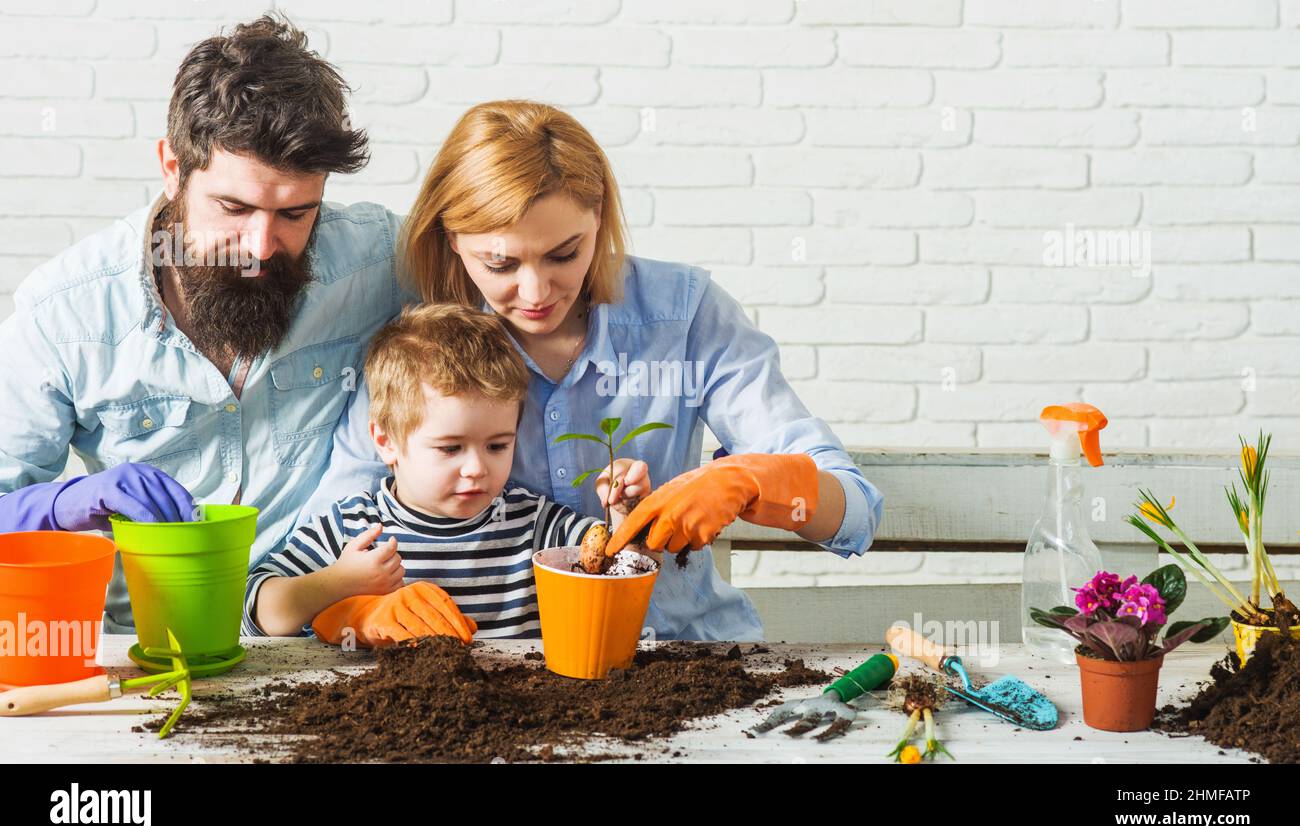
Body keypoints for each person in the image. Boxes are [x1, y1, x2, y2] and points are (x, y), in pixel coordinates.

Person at [301, 100, 885, 642]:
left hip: (683, 655)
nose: (535, 292)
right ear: (453, 239)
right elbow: (324, 545)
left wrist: (758, 481)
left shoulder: (684, 315)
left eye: (564, 254)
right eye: (500, 262)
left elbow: (855, 510)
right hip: (505, 677)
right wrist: (351, 609)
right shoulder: (429, 349)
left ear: (599, 219)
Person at [0, 15, 405, 631]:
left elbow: (515, 274)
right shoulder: (64, 314)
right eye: (233, 207)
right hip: (146, 648)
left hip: (322, 631)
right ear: (172, 167)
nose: (262, 245)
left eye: (296, 213)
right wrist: (65, 503)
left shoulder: (376, 257)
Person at [244, 304, 655, 645]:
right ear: (386, 441)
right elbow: (256, 612)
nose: (477, 468)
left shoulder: (532, 526)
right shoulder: (356, 528)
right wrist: (338, 583)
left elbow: (622, 572)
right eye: (450, 448)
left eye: (497, 446)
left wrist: (624, 512)